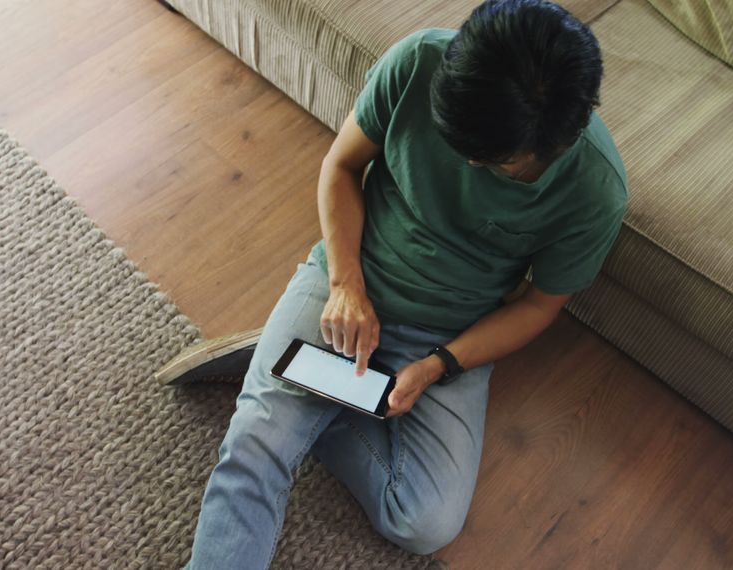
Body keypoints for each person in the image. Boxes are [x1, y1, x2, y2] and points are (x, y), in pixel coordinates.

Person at [181, 0, 628, 567]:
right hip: (352, 277)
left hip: (451, 333)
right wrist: (345, 284)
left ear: (559, 143)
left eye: (493, 163)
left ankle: (289, 371)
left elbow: (539, 306)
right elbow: (341, 167)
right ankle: (290, 373)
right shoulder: (418, 61)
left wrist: (441, 363)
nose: (467, 167)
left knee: (423, 519)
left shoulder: (594, 190)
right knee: (253, 451)